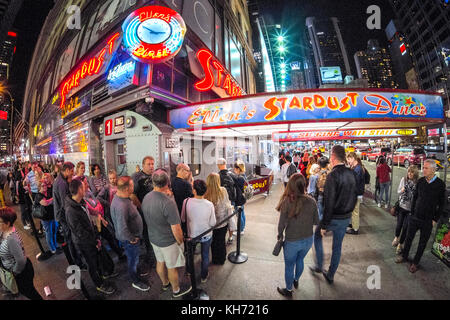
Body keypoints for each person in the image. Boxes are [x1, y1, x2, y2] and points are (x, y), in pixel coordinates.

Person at [310, 145, 357, 284]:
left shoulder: (333, 175)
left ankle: (319, 266)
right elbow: (355, 195)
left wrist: (324, 224)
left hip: (334, 217)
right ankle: (330, 275)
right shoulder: (352, 173)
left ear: (333, 157)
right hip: (345, 217)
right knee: (337, 247)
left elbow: (328, 202)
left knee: (317, 236)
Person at [142, 169, 192, 298]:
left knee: (160, 262)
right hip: (168, 242)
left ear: (153, 182)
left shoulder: (146, 197)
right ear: (167, 183)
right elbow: (176, 228)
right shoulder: (168, 203)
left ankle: (165, 283)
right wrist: (181, 242)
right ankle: (176, 290)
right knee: (172, 267)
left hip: (154, 238)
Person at [65, 179, 116, 295]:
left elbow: (89, 212)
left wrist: (98, 216)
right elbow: (80, 233)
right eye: (83, 187)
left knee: (96, 259)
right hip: (84, 243)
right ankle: (99, 284)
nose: (86, 189)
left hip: (91, 238)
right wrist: (94, 241)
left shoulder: (80, 202)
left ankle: (103, 274)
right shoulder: (71, 211)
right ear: (79, 190)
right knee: (91, 264)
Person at [396, 160, 446, 273]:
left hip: (428, 220)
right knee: (408, 238)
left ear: (433, 170)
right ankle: (404, 256)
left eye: (426, 168)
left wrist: (435, 219)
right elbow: (415, 198)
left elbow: (442, 204)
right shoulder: (421, 181)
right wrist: (412, 212)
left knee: (422, 243)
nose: (423, 170)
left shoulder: (440, 185)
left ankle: (415, 262)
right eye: (423, 168)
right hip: (415, 217)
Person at [276, 174, 319, 298]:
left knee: (289, 265)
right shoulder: (311, 201)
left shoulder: (287, 201)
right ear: (303, 185)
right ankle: (296, 280)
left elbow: (281, 224)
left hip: (292, 241)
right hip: (307, 240)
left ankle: (289, 290)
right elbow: (316, 221)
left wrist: (280, 236)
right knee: (300, 260)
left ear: (290, 185)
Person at [110, 176, 149, 291]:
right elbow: (122, 228)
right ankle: (135, 280)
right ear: (127, 188)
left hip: (133, 237)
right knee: (132, 260)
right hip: (130, 240)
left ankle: (136, 270)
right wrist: (132, 239)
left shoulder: (123, 199)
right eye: (132, 185)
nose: (134, 187)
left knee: (134, 258)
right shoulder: (121, 205)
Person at [0, 207, 43, 300]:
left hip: (22, 273)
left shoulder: (11, 239)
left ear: (7, 223)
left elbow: (21, 260)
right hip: (17, 271)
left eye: (0, 222)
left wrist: (14, 273)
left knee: (31, 293)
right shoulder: (5, 231)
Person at [78, 177, 125, 261]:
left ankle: (119, 254)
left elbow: (95, 202)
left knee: (109, 236)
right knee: (100, 243)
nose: (87, 185)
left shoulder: (88, 191)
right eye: (85, 184)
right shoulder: (81, 198)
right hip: (93, 224)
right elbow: (91, 209)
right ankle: (106, 266)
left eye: (86, 183)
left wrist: (100, 216)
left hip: (98, 219)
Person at [181, 179, 216, 283]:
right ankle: (204, 276)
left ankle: (189, 271)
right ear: (205, 191)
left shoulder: (186, 201)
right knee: (205, 255)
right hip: (206, 235)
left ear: (194, 191)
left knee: (190, 254)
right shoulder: (209, 204)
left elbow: (183, 218)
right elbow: (213, 223)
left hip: (192, 235)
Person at [53, 162, 83, 267]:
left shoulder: (62, 180)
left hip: (64, 214)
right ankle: (77, 262)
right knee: (70, 238)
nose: (72, 173)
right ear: (66, 171)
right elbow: (64, 202)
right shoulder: (61, 183)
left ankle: (77, 258)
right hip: (63, 215)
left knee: (70, 237)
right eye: (71, 171)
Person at [131, 156, 156, 268]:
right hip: (143, 211)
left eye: (152, 164)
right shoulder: (137, 177)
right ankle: (150, 257)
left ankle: (156, 255)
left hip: (155, 210)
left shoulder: (155, 175)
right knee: (147, 234)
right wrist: (141, 208)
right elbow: (132, 194)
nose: (151, 166)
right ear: (143, 165)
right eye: (149, 164)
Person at [204, 173, 233, 265]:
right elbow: (227, 204)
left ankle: (215, 259)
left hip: (210, 224)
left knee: (213, 242)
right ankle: (221, 259)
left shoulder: (205, 192)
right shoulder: (223, 190)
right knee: (221, 241)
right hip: (222, 222)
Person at [393, 165, 419, 255]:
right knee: (399, 224)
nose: (409, 174)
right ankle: (396, 237)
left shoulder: (417, 183)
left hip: (410, 209)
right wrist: (403, 190)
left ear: (415, 173)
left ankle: (400, 244)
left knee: (405, 228)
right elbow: (398, 191)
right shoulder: (404, 180)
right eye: (408, 172)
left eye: (412, 172)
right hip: (401, 206)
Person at [35, 173, 59, 254]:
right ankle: (52, 248)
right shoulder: (39, 195)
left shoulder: (51, 189)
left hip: (53, 214)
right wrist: (53, 198)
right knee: (49, 232)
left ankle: (55, 246)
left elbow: (52, 201)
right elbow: (45, 203)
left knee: (55, 231)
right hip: (45, 217)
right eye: (42, 185)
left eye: (45, 185)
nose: (44, 186)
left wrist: (51, 200)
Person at [346, 152, 365, 235]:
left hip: (356, 193)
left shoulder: (358, 169)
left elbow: (354, 182)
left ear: (353, 158)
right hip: (355, 193)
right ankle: (354, 224)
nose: (348, 161)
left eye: (349, 159)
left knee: (355, 211)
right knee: (353, 210)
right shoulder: (356, 168)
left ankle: (355, 229)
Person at [230, 162, 247, 240]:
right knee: (242, 213)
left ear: (238, 169)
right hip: (242, 198)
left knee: (239, 215)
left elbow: (236, 184)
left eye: (235, 169)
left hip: (239, 198)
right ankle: (241, 228)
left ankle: (241, 230)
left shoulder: (240, 178)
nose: (234, 170)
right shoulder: (243, 175)